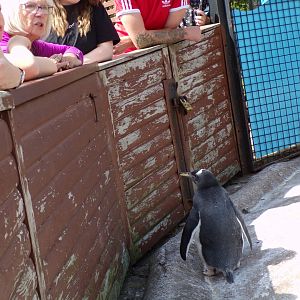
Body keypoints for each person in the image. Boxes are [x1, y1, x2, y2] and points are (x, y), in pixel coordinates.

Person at [0, 0, 83, 75]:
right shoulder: (3, 42)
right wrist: (51, 64)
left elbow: (74, 50)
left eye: (44, 7)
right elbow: (25, 66)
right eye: (30, 6)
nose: (41, 13)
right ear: (11, 11)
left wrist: (69, 57)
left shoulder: (35, 45)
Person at [113, 0, 203, 55]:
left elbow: (169, 31)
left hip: (163, 50)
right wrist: (185, 33)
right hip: (127, 56)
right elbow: (141, 40)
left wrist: (131, 41)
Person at [46, 0, 120, 63]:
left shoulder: (93, 5)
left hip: (91, 73)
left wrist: (77, 61)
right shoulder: (43, 14)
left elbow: (106, 50)